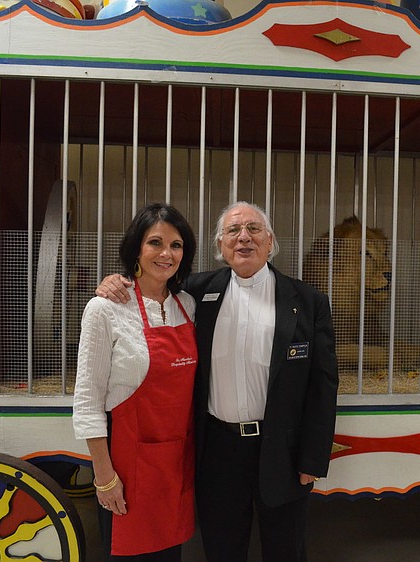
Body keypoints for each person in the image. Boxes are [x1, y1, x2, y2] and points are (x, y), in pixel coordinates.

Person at [97, 201, 339, 562]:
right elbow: (151, 289)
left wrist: (313, 459)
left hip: (284, 451)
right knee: (222, 549)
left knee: (286, 550)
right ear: (221, 246)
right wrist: (115, 283)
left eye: (254, 229)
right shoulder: (194, 294)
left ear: (270, 241)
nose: (244, 238)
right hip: (217, 451)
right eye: (233, 231)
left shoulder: (307, 301)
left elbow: (323, 386)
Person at [74, 203, 198, 561]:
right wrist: (104, 476)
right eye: (155, 242)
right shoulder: (106, 308)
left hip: (175, 464)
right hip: (127, 468)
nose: (166, 253)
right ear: (136, 249)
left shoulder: (188, 305)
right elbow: (88, 400)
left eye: (176, 245)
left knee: (170, 553)